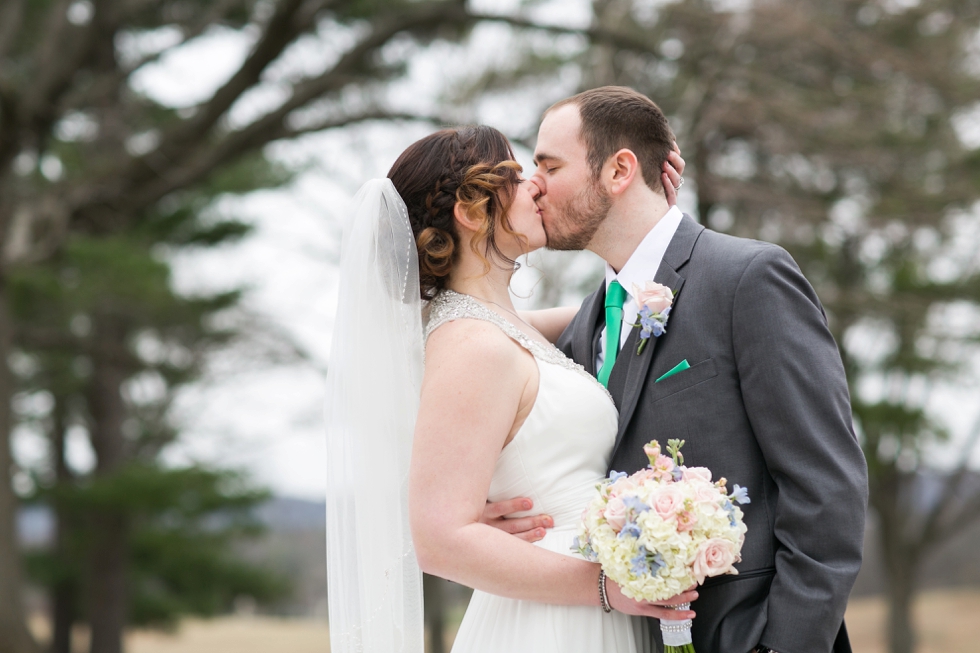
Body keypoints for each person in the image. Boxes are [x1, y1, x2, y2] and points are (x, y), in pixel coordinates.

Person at [485, 86, 868, 652]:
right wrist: (491, 518)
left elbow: (826, 487)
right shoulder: (587, 323)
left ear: (619, 171)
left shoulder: (749, 279)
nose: (533, 184)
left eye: (549, 165)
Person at [324, 125, 687, 653]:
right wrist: (607, 587)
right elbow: (441, 541)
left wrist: (648, 213)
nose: (538, 186)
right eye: (516, 177)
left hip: (584, 604)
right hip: (555, 620)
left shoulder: (500, 329)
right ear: (471, 213)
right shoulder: (472, 346)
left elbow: (623, 303)